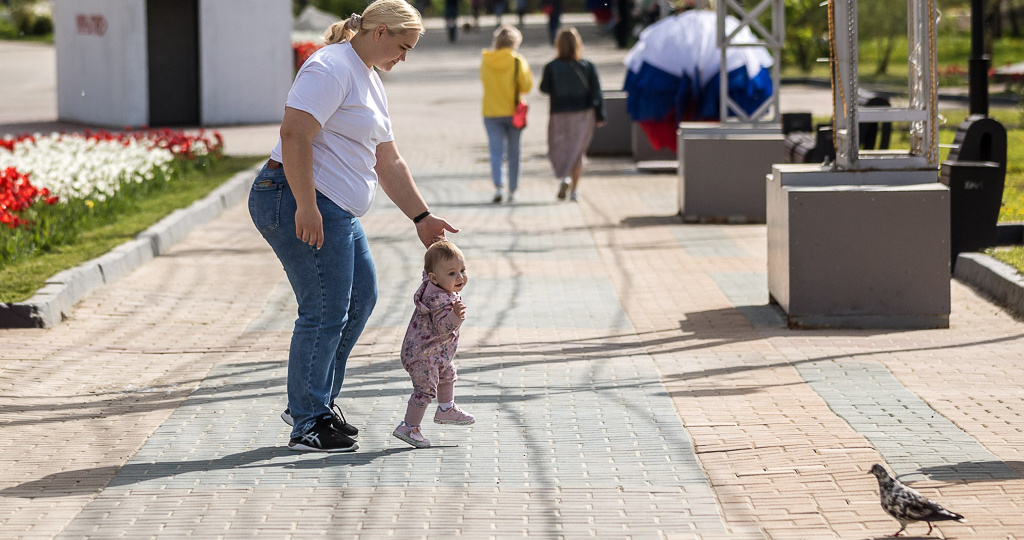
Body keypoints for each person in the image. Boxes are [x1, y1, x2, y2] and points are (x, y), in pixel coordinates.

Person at [248, 0, 458, 453]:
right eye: (403, 47)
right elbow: (293, 134)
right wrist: (306, 206)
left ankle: (315, 402)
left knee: (361, 297)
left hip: (332, 206)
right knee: (324, 310)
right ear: (379, 31)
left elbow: (388, 159)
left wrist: (422, 218)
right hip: (297, 198)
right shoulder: (330, 67)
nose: (404, 57)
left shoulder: (366, 76)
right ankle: (307, 419)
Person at [393, 241, 474, 448]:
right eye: (452, 273)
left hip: (434, 353)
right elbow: (442, 327)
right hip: (423, 356)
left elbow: (430, 267)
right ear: (434, 278)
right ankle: (409, 427)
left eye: (462, 270)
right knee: (425, 390)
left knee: (447, 373)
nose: (460, 277)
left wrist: (439, 243)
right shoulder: (440, 301)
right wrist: (455, 316)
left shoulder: (432, 286)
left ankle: (446, 409)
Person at [539, 27, 605, 202]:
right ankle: (574, 191)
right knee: (577, 151)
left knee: (558, 147)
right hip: (584, 113)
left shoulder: (552, 66)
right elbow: (597, 92)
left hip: (559, 112)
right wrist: (600, 115)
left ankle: (564, 177)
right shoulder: (588, 66)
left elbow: (544, 88)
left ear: (558, 45)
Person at [480, 24, 533, 204]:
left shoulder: (486, 60)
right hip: (513, 111)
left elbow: (484, 81)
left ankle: (498, 187)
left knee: (496, 152)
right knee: (514, 152)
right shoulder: (518, 61)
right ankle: (512, 189)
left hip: (491, 111)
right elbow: (526, 86)